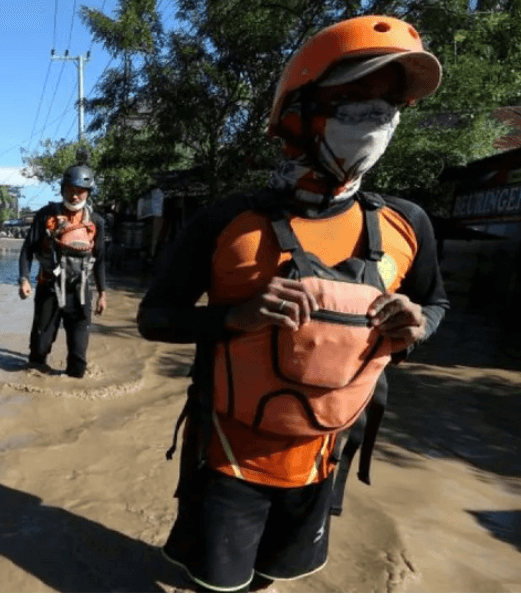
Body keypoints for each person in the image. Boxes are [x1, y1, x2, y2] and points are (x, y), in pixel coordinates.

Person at [137, 15, 450, 593]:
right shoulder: (226, 221)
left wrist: (418, 325)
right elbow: (154, 318)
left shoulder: (409, 224)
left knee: (272, 581)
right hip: (228, 455)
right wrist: (235, 315)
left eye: (387, 103)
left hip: (325, 457)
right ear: (296, 111)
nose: (374, 119)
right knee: (214, 584)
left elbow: (435, 302)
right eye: (353, 98)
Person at [18, 164, 107, 378]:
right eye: (70, 190)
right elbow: (27, 250)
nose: (74, 196)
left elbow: (101, 260)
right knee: (38, 354)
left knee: (78, 366)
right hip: (48, 289)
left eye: (80, 191)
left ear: (88, 193)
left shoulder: (96, 222)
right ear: (62, 189)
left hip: (80, 293)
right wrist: (24, 279)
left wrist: (103, 293)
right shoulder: (46, 216)